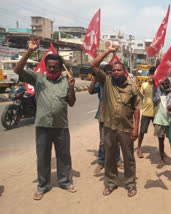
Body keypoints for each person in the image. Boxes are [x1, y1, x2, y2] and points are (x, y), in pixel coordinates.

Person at [14, 37, 77, 200]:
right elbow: (17, 70)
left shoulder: (65, 81)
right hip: (42, 125)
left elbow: (71, 103)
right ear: (46, 67)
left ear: (59, 67)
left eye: (55, 67)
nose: (53, 69)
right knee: (42, 156)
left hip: (61, 126)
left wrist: (71, 87)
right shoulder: (38, 79)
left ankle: (64, 182)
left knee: (64, 156)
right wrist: (30, 51)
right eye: (50, 67)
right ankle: (43, 185)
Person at [90, 45, 142, 197]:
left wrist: (136, 128)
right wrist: (108, 51)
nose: (116, 72)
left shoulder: (132, 86)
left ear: (124, 72)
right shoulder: (106, 81)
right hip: (109, 128)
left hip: (126, 128)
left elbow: (137, 108)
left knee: (129, 158)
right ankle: (111, 182)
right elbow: (93, 65)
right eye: (114, 70)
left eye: (119, 70)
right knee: (110, 157)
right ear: (111, 72)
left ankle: (130, 183)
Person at [88, 64, 123, 173]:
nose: (108, 75)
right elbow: (90, 91)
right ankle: (101, 161)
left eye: (110, 73)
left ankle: (118, 159)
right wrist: (95, 77)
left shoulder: (118, 83)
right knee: (103, 141)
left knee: (116, 140)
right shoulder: (101, 83)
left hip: (116, 116)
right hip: (103, 116)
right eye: (106, 73)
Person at [152, 78, 171, 168]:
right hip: (159, 119)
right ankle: (162, 159)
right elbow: (154, 100)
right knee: (160, 141)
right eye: (163, 83)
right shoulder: (158, 93)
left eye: (166, 83)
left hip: (170, 121)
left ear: (169, 83)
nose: (165, 85)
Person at [136, 66, 156, 158]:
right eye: (151, 74)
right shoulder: (144, 85)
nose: (152, 76)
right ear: (149, 75)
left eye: (154, 74)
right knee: (142, 131)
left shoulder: (158, 85)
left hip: (157, 113)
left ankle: (161, 151)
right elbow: (139, 97)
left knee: (160, 134)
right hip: (146, 112)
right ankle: (139, 148)